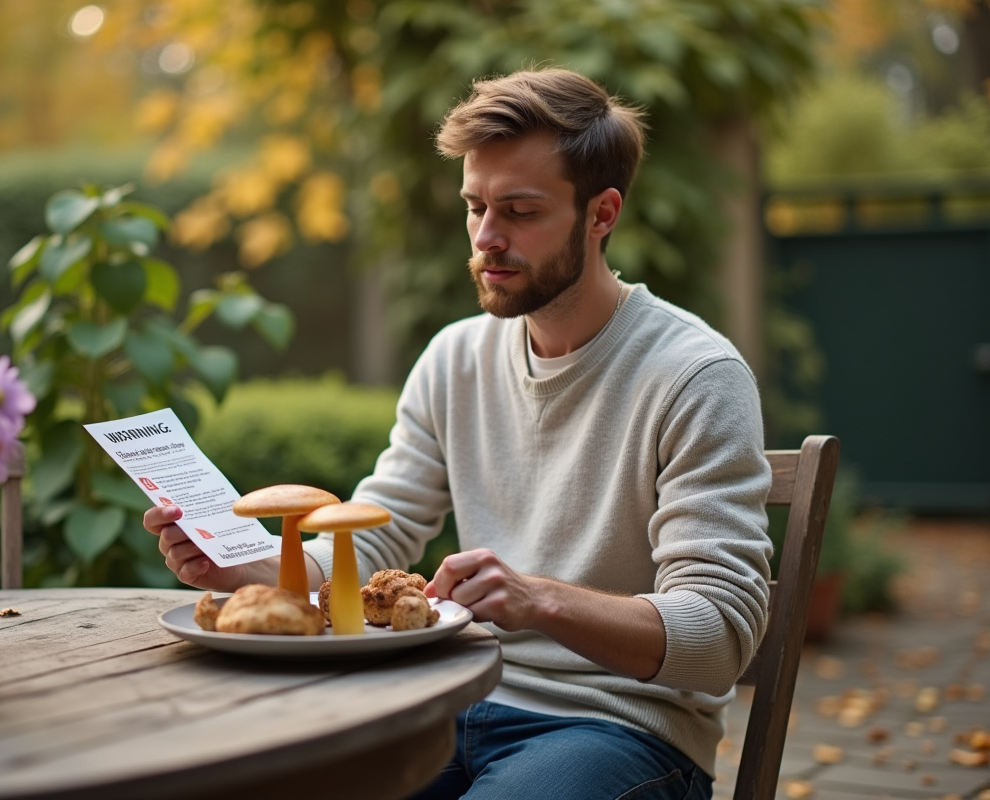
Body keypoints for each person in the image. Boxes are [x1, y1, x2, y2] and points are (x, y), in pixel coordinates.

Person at [144, 68, 771, 800]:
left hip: (617, 730)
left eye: (519, 210)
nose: (486, 237)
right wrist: (243, 571)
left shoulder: (694, 375)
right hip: (444, 700)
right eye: (474, 207)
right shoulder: (454, 359)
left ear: (601, 215)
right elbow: (375, 540)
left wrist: (541, 600)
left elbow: (721, 636)